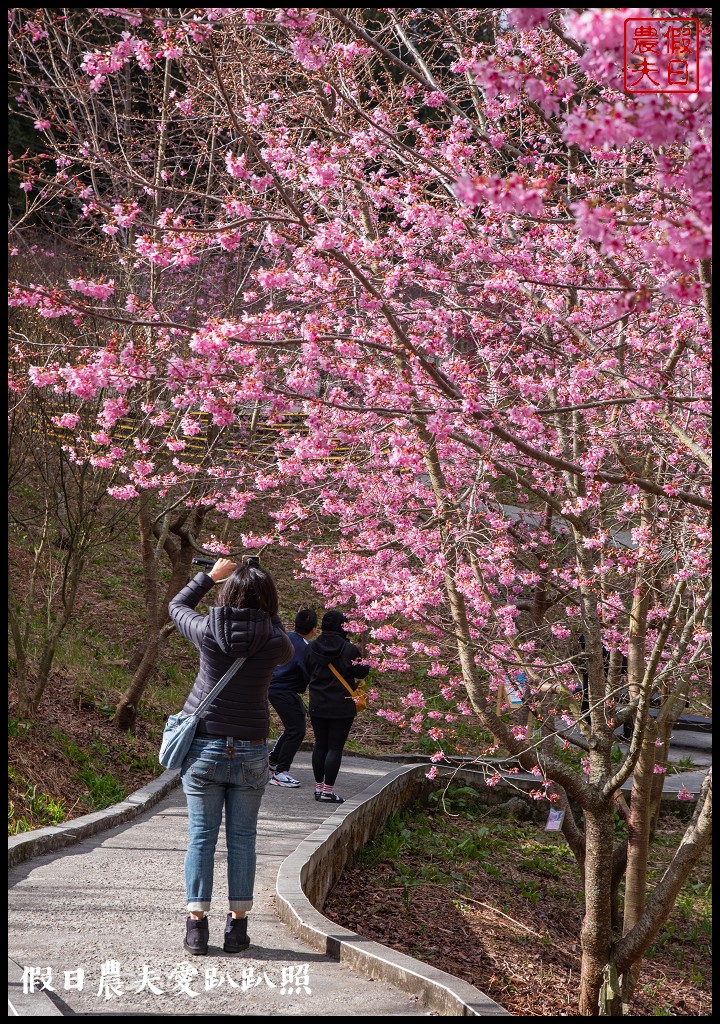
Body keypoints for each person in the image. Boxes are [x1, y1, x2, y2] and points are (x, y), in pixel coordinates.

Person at [168, 555, 293, 957]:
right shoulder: (276, 642)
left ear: (227, 593)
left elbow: (176, 607)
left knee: (201, 838)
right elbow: (283, 641)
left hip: (204, 750)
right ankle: (237, 928)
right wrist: (267, 611)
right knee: (243, 840)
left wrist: (208, 576)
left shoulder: (206, 631)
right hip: (252, 751)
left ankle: (196, 927)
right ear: (270, 603)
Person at [305, 609, 369, 804]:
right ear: (343, 626)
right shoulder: (349, 650)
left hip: (317, 704)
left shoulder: (312, 647)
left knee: (320, 745)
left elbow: (306, 669)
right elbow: (362, 673)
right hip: (342, 706)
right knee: (335, 747)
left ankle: (318, 788)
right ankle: (327, 791)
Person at [268, 608, 318, 787]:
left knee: (292, 728)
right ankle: (280, 772)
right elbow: (308, 674)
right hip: (284, 690)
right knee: (297, 730)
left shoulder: (286, 637)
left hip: (272, 687)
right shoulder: (305, 648)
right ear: (314, 629)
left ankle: (273, 762)